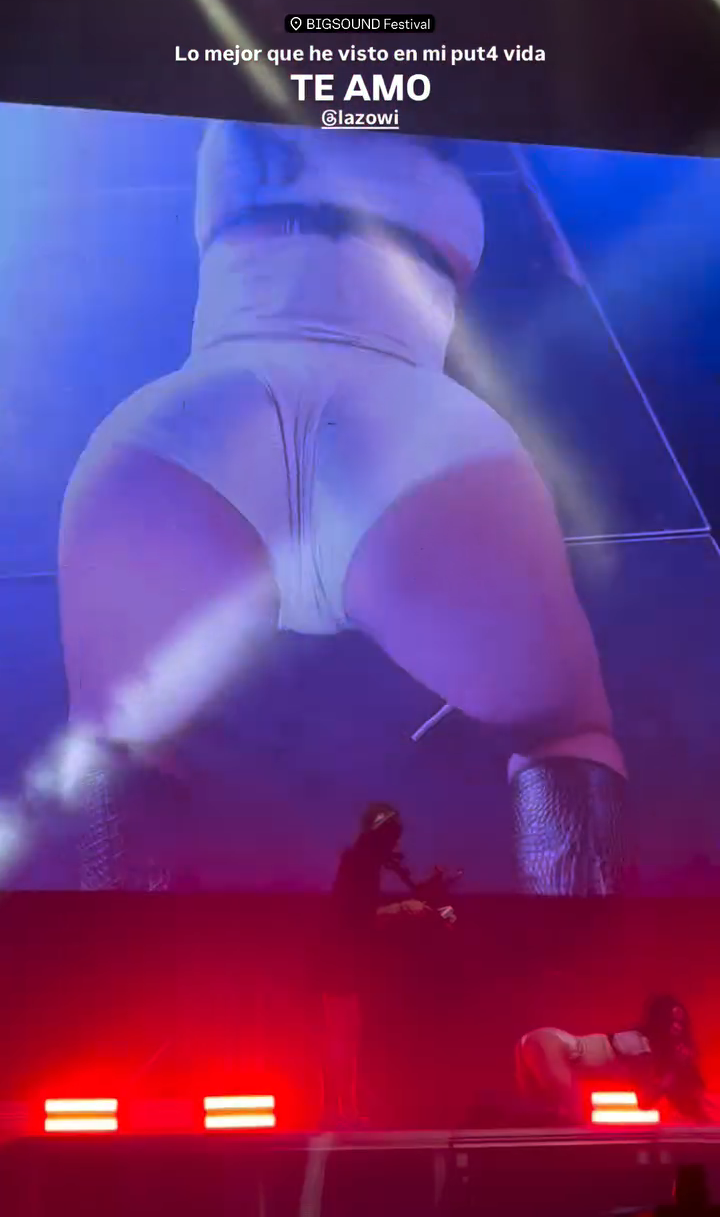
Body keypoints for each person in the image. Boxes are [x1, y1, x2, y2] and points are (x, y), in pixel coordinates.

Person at [57, 121, 626, 891]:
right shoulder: (456, 147)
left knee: (115, 752)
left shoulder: (237, 130)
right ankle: (588, 947)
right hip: (412, 431)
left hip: (197, 425)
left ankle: (117, 960)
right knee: (568, 732)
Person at [320, 802, 430, 1127]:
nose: (397, 845)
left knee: (346, 1035)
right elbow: (359, 917)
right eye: (393, 838)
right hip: (339, 960)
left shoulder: (361, 862)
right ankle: (338, 1112)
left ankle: (343, 1111)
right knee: (342, 1036)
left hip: (345, 959)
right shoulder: (359, 863)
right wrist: (403, 909)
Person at [515, 994, 717, 1124]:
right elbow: (645, 1101)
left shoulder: (642, 1046)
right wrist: (674, 1071)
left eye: (680, 1023)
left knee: (544, 1114)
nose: (677, 1027)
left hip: (544, 1041)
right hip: (552, 1046)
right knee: (575, 1119)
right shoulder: (641, 1047)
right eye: (671, 1021)